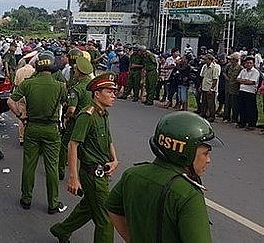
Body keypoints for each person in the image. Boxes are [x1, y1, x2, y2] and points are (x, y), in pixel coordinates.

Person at [106, 111, 223, 242]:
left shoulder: (132, 174)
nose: (208, 160)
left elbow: (113, 208)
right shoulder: (188, 195)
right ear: (185, 153)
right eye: (205, 153)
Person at [50, 72, 119, 243]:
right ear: (97, 94)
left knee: (88, 207)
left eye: (114, 92)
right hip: (92, 174)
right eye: (109, 92)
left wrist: (115, 160)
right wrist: (73, 177)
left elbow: (108, 139)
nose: (113, 95)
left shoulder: (103, 114)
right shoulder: (86, 115)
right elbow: (73, 145)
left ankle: (62, 230)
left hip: (102, 170)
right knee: (105, 219)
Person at [7, 51, 67, 214]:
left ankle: (26, 199)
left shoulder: (28, 83)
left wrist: (21, 116)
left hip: (32, 127)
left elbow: (10, 100)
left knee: (29, 165)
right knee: (52, 167)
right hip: (51, 129)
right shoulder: (60, 86)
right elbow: (64, 104)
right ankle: (53, 203)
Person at [58, 57, 93, 181]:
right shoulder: (92, 85)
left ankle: (61, 170)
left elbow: (71, 109)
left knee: (65, 145)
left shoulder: (77, 88)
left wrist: (67, 118)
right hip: (91, 119)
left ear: (79, 70)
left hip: (77, 121)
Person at [14, 50, 38, 145]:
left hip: (21, 95)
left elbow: (15, 84)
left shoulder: (19, 71)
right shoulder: (34, 72)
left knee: (21, 116)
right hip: (32, 96)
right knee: (32, 116)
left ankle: (21, 138)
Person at [236, 56, 260, 130]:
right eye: (247, 63)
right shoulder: (243, 71)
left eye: (250, 63)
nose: (248, 64)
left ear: (253, 64)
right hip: (242, 91)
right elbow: (237, 79)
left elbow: (251, 82)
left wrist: (243, 81)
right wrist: (245, 81)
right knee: (242, 108)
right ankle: (242, 123)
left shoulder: (255, 72)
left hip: (250, 92)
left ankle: (251, 124)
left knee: (250, 109)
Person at [223, 52, 243, 123]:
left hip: (235, 89)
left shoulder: (240, 68)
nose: (230, 61)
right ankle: (226, 117)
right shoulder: (229, 66)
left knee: (234, 104)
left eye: (232, 59)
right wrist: (226, 77)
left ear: (236, 60)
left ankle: (234, 118)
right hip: (228, 87)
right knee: (227, 103)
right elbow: (224, 72)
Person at [200, 54, 219, 122]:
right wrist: (201, 85)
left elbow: (215, 79)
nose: (205, 61)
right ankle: (203, 113)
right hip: (204, 86)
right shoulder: (204, 66)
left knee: (211, 103)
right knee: (204, 102)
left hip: (210, 87)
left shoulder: (214, 68)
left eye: (206, 59)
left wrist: (211, 88)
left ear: (210, 60)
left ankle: (212, 116)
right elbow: (202, 76)